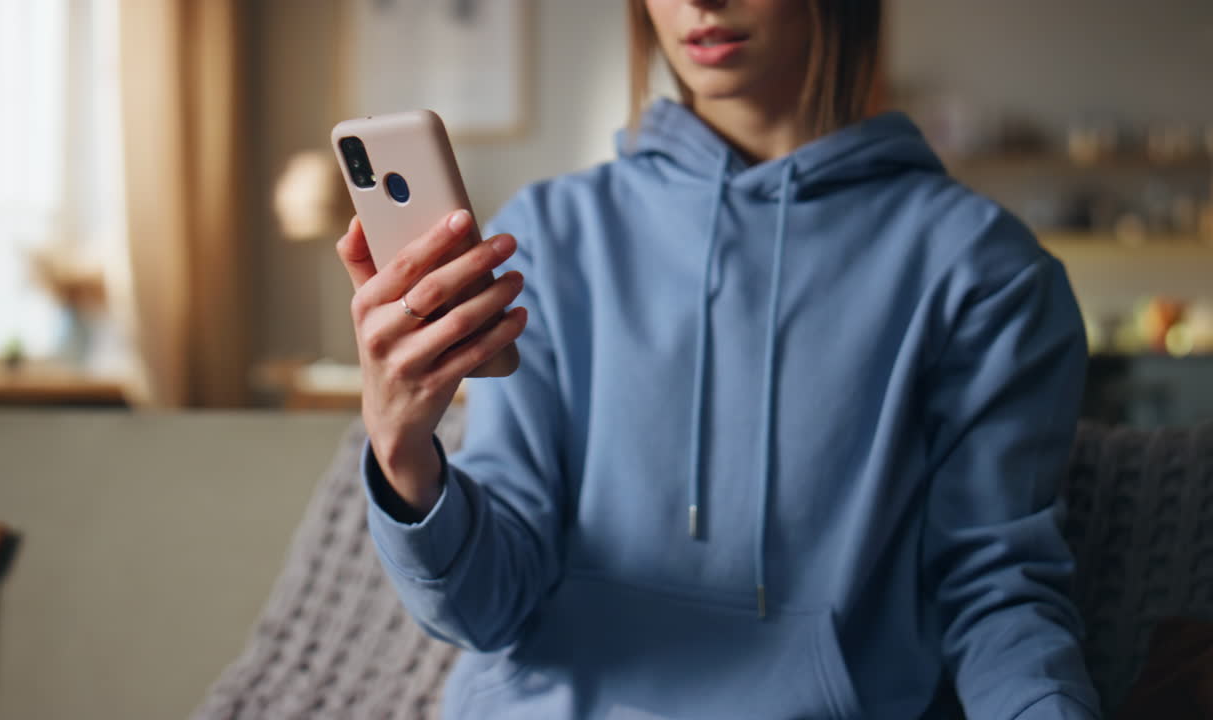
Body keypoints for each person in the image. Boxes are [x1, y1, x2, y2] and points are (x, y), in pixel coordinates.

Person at [335, 1, 1102, 717]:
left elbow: (998, 592)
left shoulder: (983, 271)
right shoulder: (545, 237)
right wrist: (405, 457)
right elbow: (484, 608)